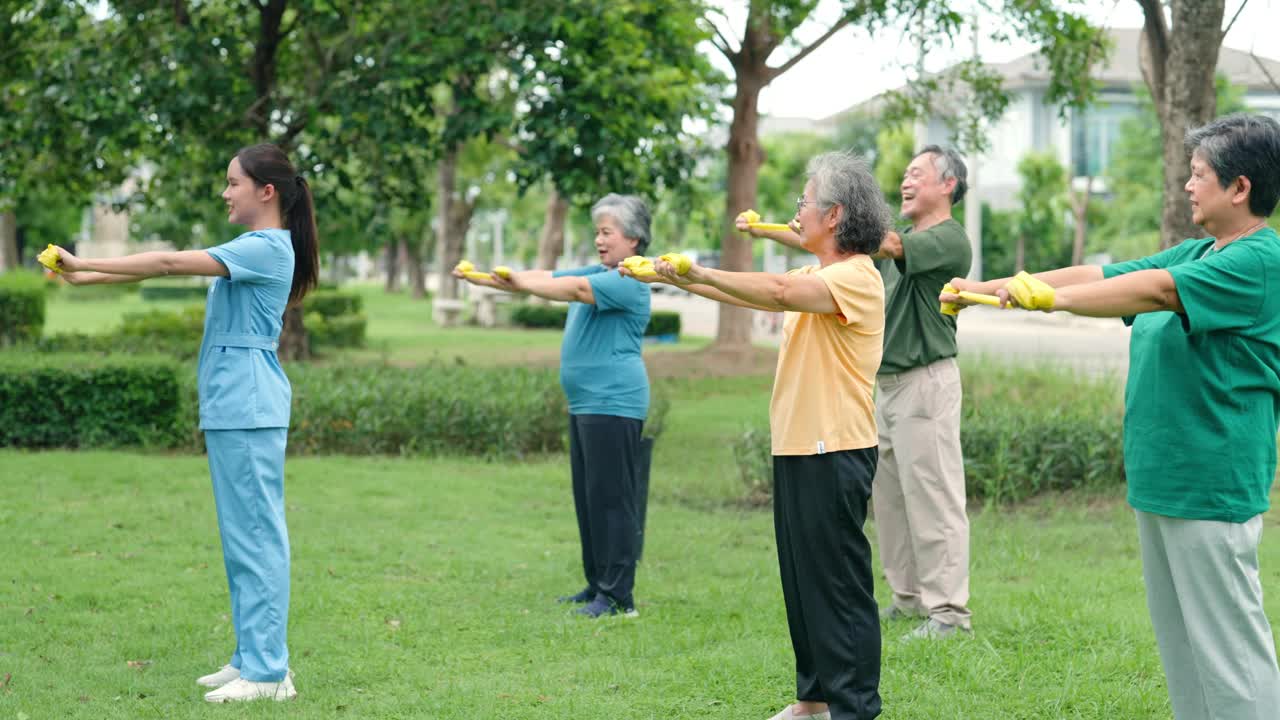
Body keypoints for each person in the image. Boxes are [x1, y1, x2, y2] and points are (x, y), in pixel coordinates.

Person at [944, 113, 1280, 719]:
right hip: (1164, 481)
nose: (1187, 184)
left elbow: (1155, 292)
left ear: (1241, 188)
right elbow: (1101, 274)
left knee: (1230, 652)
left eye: (1199, 174)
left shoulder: (1258, 261)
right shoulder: (1201, 251)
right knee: (1184, 647)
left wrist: (1052, 301)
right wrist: (995, 285)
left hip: (1212, 483)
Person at [51, 143, 318, 703]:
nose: (225, 193)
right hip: (234, 403)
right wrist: (85, 279)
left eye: (233, 183)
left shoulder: (268, 247)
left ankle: (269, 672)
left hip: (248, 404)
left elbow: (169, 262)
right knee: (239, 537)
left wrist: (87, 262)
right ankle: (252, 657)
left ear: (266, 192)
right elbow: (164, 270)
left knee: (257, 537)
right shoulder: (254, 247)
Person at [630, 151, 889, 720]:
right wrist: (676, 277)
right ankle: (816, 698)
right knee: (803, 582)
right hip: (799, 446)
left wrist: (698, 271)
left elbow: (773, 292)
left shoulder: (857, 277)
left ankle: (855, 708)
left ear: (835, 214)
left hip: (835, 446)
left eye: (804, 200)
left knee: (839, 585)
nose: (797, 209)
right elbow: (747, 293)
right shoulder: (816, 274)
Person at [740, 145, 974, 640]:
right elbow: (835, 237)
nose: (906, 181)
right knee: (889, 500)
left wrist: (793, 226)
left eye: (917, 174)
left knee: (934, 496)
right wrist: (771, 230)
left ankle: (949, 613)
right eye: (905, 173)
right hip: (881, 386)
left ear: (948, 185)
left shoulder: (948, 240)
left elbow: (871, 240)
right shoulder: (896, 241)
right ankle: (908, 599)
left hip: (924, 381)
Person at [459, 193, 651, 619]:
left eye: (607, 232)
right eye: (597, 231)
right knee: (588, 497)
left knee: (612, 500)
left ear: (634, 238)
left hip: (614, 402)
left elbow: (574, 288)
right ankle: (597, 584)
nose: (599, 239)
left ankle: (620, 598)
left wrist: (517, 282)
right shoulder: (601, 271)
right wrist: (487, 279)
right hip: (586, 403)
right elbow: (548, 275)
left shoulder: (629, 281)